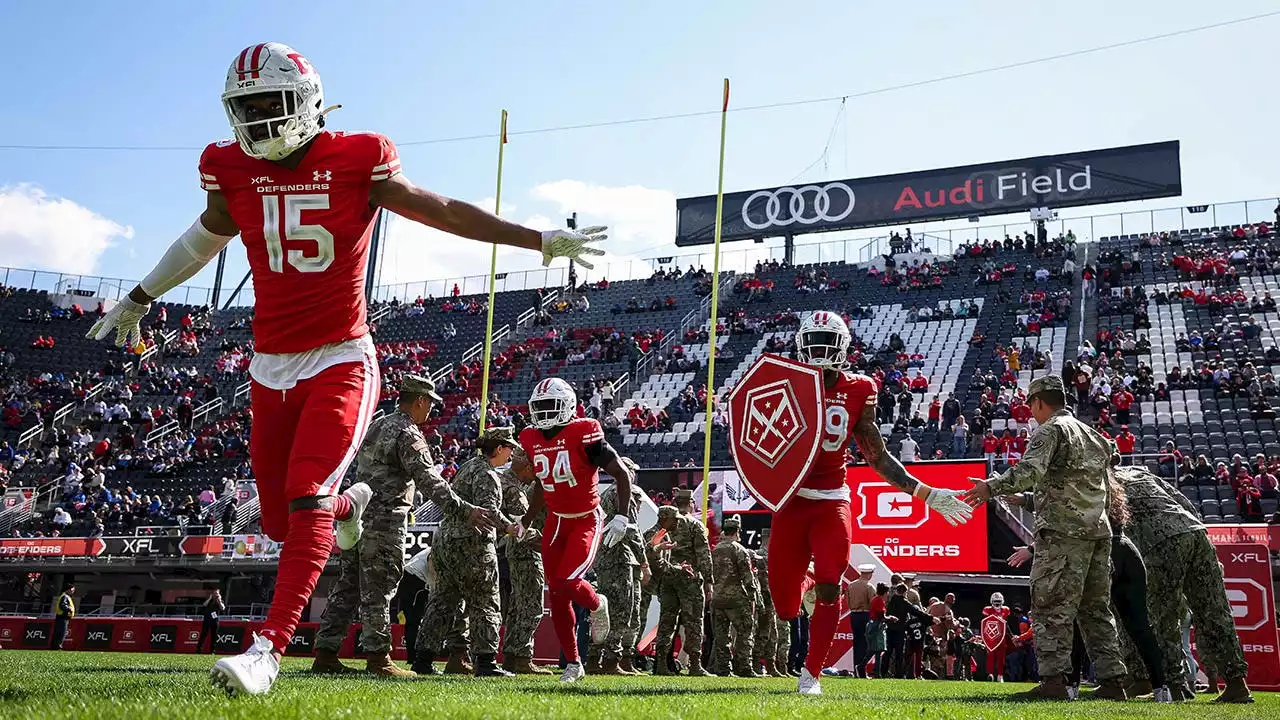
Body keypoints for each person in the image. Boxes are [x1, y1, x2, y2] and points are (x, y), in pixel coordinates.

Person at [87, 42, 606, 698]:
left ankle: (267, 651)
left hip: (340, 355)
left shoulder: (357, 157)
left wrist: (537, 240)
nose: (257, 122)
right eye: (244, 109)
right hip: (269, 364)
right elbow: (204, 236)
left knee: (304, 496)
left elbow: (439, 208)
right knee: (281, 522)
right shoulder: (230, 167)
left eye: (268, 105)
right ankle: (351, 503)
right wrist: (140, 295)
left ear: (305, 101)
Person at [772, 311, 973, 695]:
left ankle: (811, 675)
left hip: (832, 498)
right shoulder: (784, 381)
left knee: (833, 585)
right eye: (813, 340)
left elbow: (877, 456)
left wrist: (926, 493)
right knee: (785, 605)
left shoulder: (859, 388)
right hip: (791, 499)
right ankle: (808, 582)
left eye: (827, 342)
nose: (819, 350)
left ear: (844, 348)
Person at [314, 374, 495, 678]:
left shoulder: (378, 425)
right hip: (385, 520)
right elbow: (428, 479)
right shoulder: (408, 433)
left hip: (356, 515)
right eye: (430, 405)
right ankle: (379, 658)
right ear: (420, 401)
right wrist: (464, 509)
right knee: (381, 587)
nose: (431, 412)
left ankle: (325, 653)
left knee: (348, 586)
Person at [964, 375, 1128, 700]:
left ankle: (1054, 682)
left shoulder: (1051, 430)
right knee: (1095, 609)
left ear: (1039, 402)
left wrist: (990, 487)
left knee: (1050, 605)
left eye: (1031, 406)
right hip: (1098, 532)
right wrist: (1027, 499)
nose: (1031, 413)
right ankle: (1113, 682)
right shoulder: (1092, 434)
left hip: (1063, 534)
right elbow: (1096, 474)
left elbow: (1029, 472)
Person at [514, 377, 637, 683]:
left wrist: (621, 517)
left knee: (569, 580)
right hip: (556, 520)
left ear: (567, 405)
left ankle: (597, 603)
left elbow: (621, 473)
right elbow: (544, 483)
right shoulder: (530, 437)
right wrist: (528, 518)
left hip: (585, 517)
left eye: (549, 406)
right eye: (538, 407)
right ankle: (573, 664)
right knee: (556, 595)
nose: (543, 414)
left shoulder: (584, 432)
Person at [1116, 464, 1253, 703]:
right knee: (1215, 610)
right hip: (1194, 531)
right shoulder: (1141, 471)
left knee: (1163, 616)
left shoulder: (1101, 479)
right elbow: (1184, 503)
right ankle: (1237, 684)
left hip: (1158, 542)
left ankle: (1174, 686)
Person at [417, 427, 522, 677]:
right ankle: (485, 662)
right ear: (498, 449)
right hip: (473, 544)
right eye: (509, 449)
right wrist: (510, 527)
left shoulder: (467, 467)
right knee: (485, 600)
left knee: (442, 601)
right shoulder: (488, 474)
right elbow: (489, 512)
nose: (510, 454)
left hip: (446, 542)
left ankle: (423, 660)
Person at [588, 476, 649, 674]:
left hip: (605, 560)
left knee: (603, 612)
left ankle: (594, 659)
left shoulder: (604, 494)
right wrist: (644, 562)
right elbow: (632, 531)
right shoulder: (623, 493)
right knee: (622, 611)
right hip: (621, 559)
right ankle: (611, 660)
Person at [498, 449, 552, 675]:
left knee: (518, 606)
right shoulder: (538, 489)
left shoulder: (529, 487)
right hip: (528, 548)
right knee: (531, 606)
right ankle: (522, 656)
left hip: (519, 548)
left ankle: (512, 656)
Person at [651, 504, 714, 677]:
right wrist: (709, 580)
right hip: (688, 578)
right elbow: (703, 554)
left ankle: (662, 665)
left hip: (668, 579)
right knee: (693, 621)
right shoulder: (694, 525)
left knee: (666, 621)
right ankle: (694, 665)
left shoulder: (656, 531)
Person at [709, 516, 760, 677]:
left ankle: (723, 668)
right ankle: (743, 666)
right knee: (745, 632)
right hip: (737, 599)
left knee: (721, 636)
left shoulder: (715, 550)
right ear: (737, 532)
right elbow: (747, 575)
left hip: (718, 599)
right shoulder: (740, 550)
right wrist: (753, 597)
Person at [751, 528, 787, 677]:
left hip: (772, 599)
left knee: (773, 634)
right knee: (763, 633)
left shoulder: (773, 555)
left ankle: (771, 666)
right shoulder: (760, 555)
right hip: (764, 599)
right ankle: (756, 663)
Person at [845, 564, 876, 678]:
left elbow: (847, 601)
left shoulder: (851, 585)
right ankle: (862, 671)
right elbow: (873, 604)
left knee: (857, 643)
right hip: (865, 614)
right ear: (869, 574)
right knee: (865, 644)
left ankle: (856, 669)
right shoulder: (869, 586)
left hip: (854, 615)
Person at [198, 589, 225, 654]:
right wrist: (210, 598)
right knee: (203, 635)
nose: (215, 595)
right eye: (214, 593)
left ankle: (212, 651)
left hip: (215, 621)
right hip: (207, 620)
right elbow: (204, 605)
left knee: (214, 636)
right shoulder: (209, 601)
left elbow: (223, 608)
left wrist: (219, 601)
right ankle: (198, 650)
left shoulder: (220, 601)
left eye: (217, 593)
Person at [51, 583, 75, 650]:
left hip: (61, 617)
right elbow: (62, 605)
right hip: (63, 617)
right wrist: (69, 609)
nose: (73, 592)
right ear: (68, 590)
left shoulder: (64, 596)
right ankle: (58, 646)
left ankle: (55, 646)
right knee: (61, 632)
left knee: (59, 632)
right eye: (72, 590)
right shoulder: (65, 597)